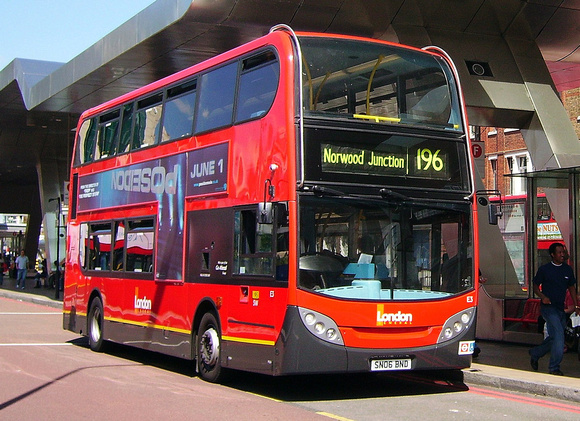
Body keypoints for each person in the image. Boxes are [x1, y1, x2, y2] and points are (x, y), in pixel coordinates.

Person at [529, 242, 579, 375]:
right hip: (548, 308)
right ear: (552, 255)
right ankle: (554, 367)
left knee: (555, 337)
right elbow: (535, 285)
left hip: (560, 308)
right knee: (559, 336)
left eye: (563, 252)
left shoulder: (567, 269)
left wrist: (576, 305)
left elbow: (572, 288)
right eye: (559, 252)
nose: (562, 255)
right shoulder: (545, 269)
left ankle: (535, 353)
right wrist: (542, 296)